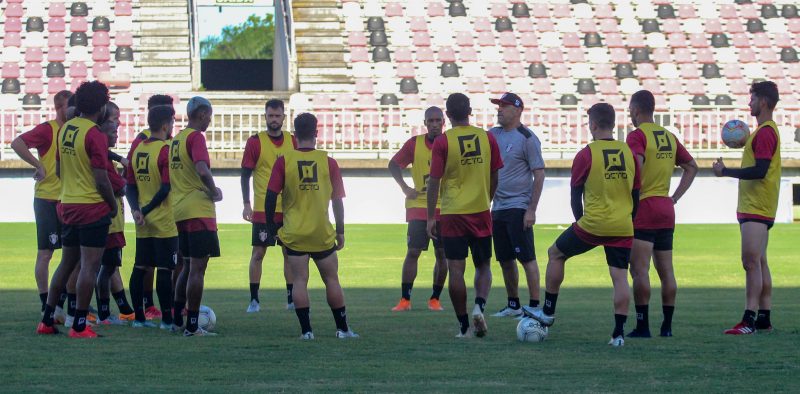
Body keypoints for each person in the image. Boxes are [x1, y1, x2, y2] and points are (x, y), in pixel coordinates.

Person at [523, 103, 640, 347]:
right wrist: (629, 219)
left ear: (594, 125)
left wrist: (579, 221)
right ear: (613, 123)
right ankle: (618, 335)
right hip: (622, 224)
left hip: (593, 224)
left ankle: (548, 312)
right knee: (620, 277)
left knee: (555, 253)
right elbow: (636, 194)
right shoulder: (628, 152)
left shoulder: (586, 154)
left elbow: (575, 194)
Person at [264, 113, 357, 340]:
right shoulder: (329, 162)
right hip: (321, 232)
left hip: (294, 233)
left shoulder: (283, 160)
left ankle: (306, 331)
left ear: (294, 135)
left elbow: (270, 196)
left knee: (299, 281)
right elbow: (337, 200)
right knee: (332, 280)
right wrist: (341, 230)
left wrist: (272, 228)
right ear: (316, 133)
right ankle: (343, 329)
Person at [37, 80, 117, 338]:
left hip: (67, 205)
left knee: (66, 263)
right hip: (91, 207)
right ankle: (80, 325)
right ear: (101, 106)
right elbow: (101, 178)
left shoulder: (66, 129)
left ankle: (47, 320)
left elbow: (59, 171)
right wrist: (112, 204)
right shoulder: (95, 134)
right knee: (89, 266)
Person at [426, 93, 503, 338]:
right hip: (480, 210)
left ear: (447, 116)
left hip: (452, 213)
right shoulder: (487, 137)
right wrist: (487, 199)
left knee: (455, 269)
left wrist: (430, 217)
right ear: (470, 111)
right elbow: (495, 175)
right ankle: (479, 306)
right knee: (483, 266)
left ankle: (463, 327)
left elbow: (434, 182)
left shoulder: (443, 142)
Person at [625, 90, 698, 338]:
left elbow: (637, 165)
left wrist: (629, 195)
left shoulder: (637, 136)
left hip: (643, 207)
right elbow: (691, 167)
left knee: (639, 271)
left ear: (636, 110)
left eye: (630, 110)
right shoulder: (669, 136)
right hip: (666, 209)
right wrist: (675, 197)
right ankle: (666, 327)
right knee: (667, 271)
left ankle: (643, 326)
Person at [713, 81, 781, 335]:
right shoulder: (764, 131)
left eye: (752, 98)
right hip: (760, 206)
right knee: (760, 261)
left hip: (757, 207)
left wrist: (725, 172)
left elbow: (760, 170)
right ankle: (763, 317)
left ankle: (749, 319)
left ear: (763, 101)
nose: (749, 103)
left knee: (750, 261)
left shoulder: (764, 132)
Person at [11, 90, 72, 315]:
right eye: (69, 105)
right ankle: (46, 303)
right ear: (59, 108)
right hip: (47, 199)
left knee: (73, 255)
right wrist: (38, 165)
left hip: (70, 200)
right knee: (46, 253)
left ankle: (63, 302)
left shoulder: (74, 130)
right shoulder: (48, 129)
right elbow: (17, 143)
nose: (74, 110)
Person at [486, 93, 545, 318]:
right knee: (505, 259)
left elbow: (539, 174)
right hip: (497, 207)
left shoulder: (527, 138)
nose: (499, 109)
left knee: (527, 258)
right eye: (498, 106)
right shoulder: (493, 135)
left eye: (504, 106)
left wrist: (531, 209)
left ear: (518, 110)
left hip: (518, 207)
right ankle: (513, 305)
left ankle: (534, 306)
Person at [170, 96, 222, 336]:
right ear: (202, 114)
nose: (209, 120)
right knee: (197, 269)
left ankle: (176, 318)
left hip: (179, 209)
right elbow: (202, 169)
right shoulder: (196, 137)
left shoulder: (176, 140)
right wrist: (214, 191)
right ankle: (192, 325)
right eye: (209, 116)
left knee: (187, 266)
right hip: (198, 210)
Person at [388, 106, 447, 312]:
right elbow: (393, 164)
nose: (434, 124)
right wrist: (405, 188)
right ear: (425, 123)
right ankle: (405, 299)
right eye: (430, 121)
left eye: (437, 120)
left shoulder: (450, 144)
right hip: (419, 206)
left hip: (444, 208)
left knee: (442, 255)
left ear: (443, 122)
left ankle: (435, 299)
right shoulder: (415, 144)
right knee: (413, 252)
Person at [127, 104, 179, 330]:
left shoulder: (138, 149)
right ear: (166, 125)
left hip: (142, 222)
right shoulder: (165, 150)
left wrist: (136, 211)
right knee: (166, 270)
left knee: (140, 267)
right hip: (164, 220)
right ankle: (167, 320)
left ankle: (139, 318)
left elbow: (129, 186)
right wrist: (147, 210)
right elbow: (166, 187)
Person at [241, 99, 296, 313]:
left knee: (289, 254)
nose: (274, 119)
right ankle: (254, 300)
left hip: (288, 208)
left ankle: (291, 298)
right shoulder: (255, 142)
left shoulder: (293, 141)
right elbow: (245, 175)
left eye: (277, 115)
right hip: (263, 208)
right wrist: (247, 204)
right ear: (265, 117)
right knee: (258, 253)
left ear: (284, 116)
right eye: (270, 115)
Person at [95, 102, 136, 325]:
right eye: (113, 125)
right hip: (109, 224)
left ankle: (109, 311)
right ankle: (103, 314)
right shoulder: (103, 159)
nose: (117, 130)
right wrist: (125, 177)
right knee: (106, 268)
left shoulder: (107, 157)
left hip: (115, 223)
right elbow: (118, 187)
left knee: (107, 268)